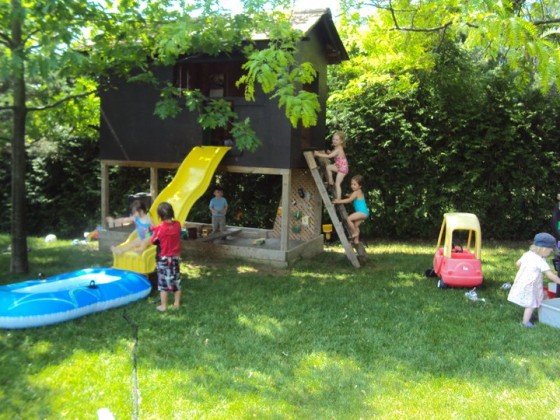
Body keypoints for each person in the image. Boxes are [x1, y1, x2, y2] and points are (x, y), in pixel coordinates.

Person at [507, 232, 560, 328]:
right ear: (544, 249)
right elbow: (550, 275)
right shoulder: (540, 261)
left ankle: (544, 312)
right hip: (531, 286)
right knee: (531, 304)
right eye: (550, 250)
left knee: (543, 295)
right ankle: (525, 323)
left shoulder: (527, 254)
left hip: (523, 282)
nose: (551, 252)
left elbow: (517, 263)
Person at [150, 202, 182, 312]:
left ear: (159, 216)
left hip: (164, 259)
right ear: (172, 213)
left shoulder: (160, 229)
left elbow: (153, 241)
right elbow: (168, 228)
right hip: (175, 258)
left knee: (163, 283)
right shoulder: (177, 225)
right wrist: (154, 228)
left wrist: (154, 231)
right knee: (176, 280)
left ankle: (163, 306)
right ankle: (176, 303)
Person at [333, 175, 369, 245]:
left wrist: (339, 201)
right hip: (365, 213)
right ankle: (356, 241)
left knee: (348, 219)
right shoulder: (359, 192)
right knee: (355, 225)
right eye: (351, 184)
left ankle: (355, 233)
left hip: (362, 212)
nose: (352, 186)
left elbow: (349, 200)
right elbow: (353, 196)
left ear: (360, 186)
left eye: (354, 184)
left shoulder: (356, 192)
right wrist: (349, 195)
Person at [313, 131, 348, 200]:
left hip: (343, 169)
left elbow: (329, 156)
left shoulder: (339, 148)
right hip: (339, 166)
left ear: (341, 141)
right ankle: (331, 181)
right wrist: (330, 152)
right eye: (333, 139)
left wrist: (318, 154)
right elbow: (333, 154)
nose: (334, 141)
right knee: (328, 167)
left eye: (336, 140)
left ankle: (338, 199)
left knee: (337, 183)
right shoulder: (336, 148)